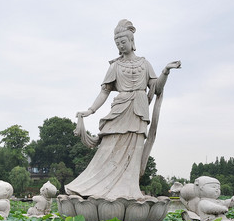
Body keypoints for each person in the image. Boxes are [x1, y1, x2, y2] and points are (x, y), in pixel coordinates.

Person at [66, 19, 180, 200]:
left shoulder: (145, 63)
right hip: (120, 109)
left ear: (132, 41)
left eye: (123, 41)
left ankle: (127, 189)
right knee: (107, 148)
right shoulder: (115, 66)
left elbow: (156, 87)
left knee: (134, 151)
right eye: (117, 43)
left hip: (139, 110)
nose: (120, 45)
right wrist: (90, 110)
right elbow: (104, 92)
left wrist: (165, 71)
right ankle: (95, 186)